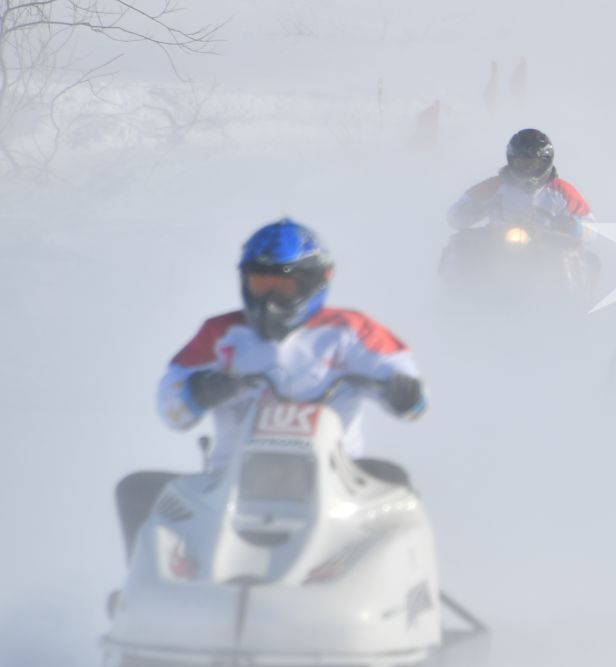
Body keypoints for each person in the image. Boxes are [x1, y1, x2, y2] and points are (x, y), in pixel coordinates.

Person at [121, 220, 426, 556]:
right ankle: (146, 594)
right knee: (138, 490)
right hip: (229, 479)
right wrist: (202, 391)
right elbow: (171, 410)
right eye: (260, 284)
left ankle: (402, 593)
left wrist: (402, 391)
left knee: (395, 488)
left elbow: (411, 398)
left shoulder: (353, 330)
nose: (269, 300)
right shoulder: (218, 332)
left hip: (339, 480)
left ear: (315, 282)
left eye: (282, 287)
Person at [448, 128, 593, 237]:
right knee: (459, 244)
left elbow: (592, 227)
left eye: (534, 164)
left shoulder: (561, 190)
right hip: (495, 246)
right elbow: (453, 216)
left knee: (581, 258)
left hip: (548, 249)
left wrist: (572, 225)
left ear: (546, 162)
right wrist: (470, 211)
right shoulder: (494, 185)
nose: (528, 169)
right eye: (521, 163)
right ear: (511, 161)